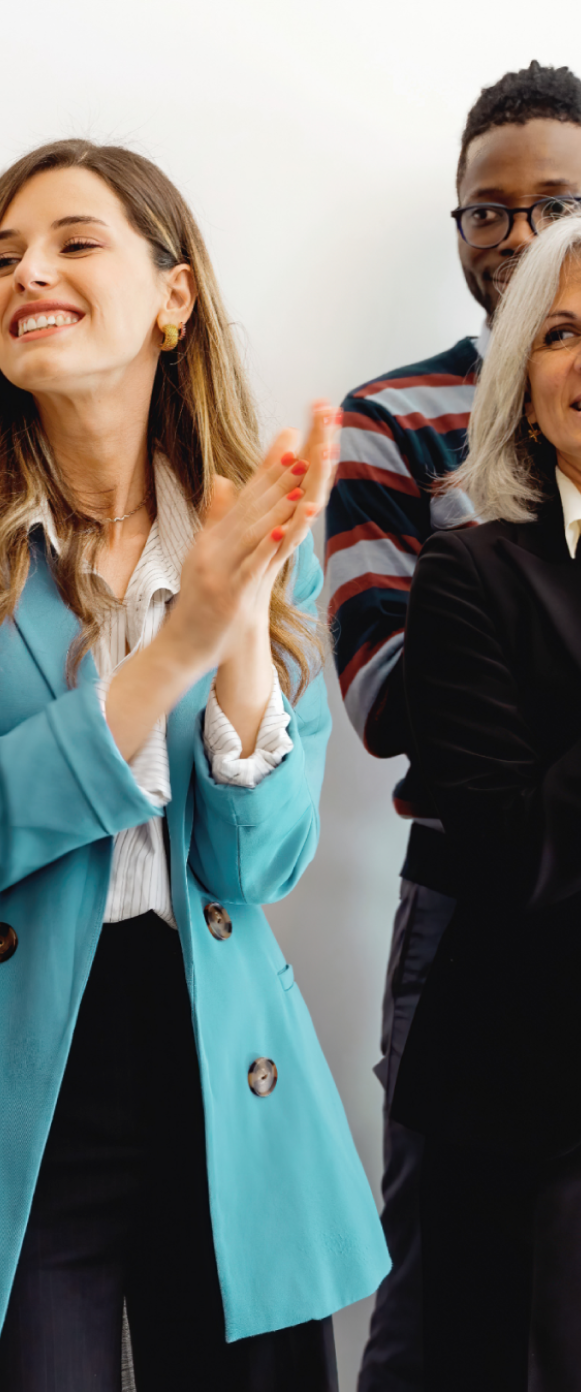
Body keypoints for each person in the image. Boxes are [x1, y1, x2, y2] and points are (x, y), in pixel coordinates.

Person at [0, 138, 389, 1392]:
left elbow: (262, 862)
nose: (30, 272)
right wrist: (171, 648)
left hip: (219, 1066)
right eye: (4, 255)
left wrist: (238, 634)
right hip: (4, 1077)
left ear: (173, 298)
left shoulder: (256, 526)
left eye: (77, 242)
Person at [323, 60, 581, 1392]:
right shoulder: (391, 420)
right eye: (487, 209)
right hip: (473, 905)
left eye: (555, 203)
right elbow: (390, 702)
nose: (517, 235)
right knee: (449, 1275)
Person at [396, 211, 581, 1391]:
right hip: (530, 1105)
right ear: (523, 377)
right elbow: (517, 848)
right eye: (564, 332)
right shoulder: (468, 570)